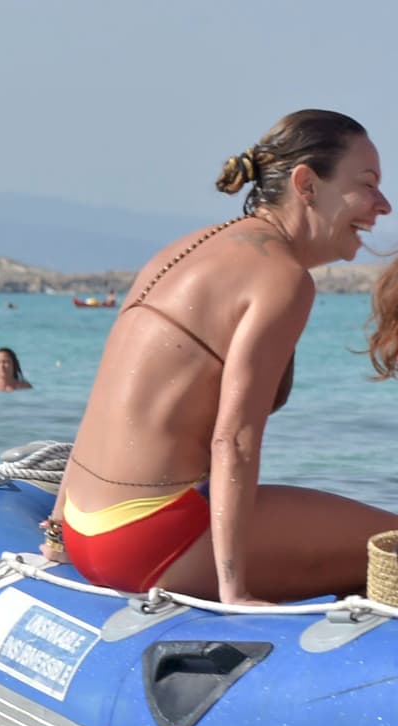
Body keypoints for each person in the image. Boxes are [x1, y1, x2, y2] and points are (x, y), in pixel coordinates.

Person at [42, 109, 397, 606]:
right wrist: (235, 592)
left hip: (87, 529)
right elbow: (234, 440)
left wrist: (58, 532)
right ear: (307, 184)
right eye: (367, 184)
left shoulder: (183, 249)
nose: (382, 205)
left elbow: (104, 401)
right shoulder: (282, 278)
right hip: (152, 542)